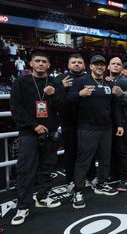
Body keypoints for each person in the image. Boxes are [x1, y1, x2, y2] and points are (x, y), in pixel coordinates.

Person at [10, 50, 64, 225]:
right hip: (29, 133)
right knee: (26, 170)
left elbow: (62, 107)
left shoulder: (55, 83)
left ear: (49, 65)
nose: (41, 64)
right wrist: (34, 125)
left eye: (44, 61)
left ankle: (42, 196)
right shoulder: (21, 82)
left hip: (50, 132)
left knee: (47, 167)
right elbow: (16, 108)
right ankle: (23, 207)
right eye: (38, 61)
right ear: (31, 64)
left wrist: (53, 94)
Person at [66, 55, 124, 209]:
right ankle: (78, 190)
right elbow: (67, 99)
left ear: (105, 68)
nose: (99, 67)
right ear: (90, 66)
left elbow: (115, 107)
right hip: (87, 127)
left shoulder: (108, 83)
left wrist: (119, 124)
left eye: (102, 65)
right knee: (83, 160)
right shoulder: (81, 81)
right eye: (96, 65)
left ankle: (102, 183)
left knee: (105, 158)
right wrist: (80, 94)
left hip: (106, 127)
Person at [56, 54, 95, 192]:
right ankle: (70, 180)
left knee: (88, 151)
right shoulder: (60, 79)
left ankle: (91, 176)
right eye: (74, 62)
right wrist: (60, 87)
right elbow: (53, 99)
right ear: (68, 65)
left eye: (79, 62)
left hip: (88, 121)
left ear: (84, 65)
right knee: (70, 152)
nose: (77, 64)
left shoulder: (90, 78)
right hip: (69, 122)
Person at [107, 57, 127, 191]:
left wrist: (122, 93)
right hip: (108, 121)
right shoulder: (103, 80)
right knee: (111, 149)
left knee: (123, 149)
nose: (115, 66)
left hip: (123, 120)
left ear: (121, 68)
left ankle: (126, 178)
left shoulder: (124, 81)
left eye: (118, 64)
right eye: (113, 64)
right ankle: (114, 174)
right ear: (108, 67)